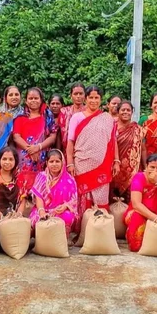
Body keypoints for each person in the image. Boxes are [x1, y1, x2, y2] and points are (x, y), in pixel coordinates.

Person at [66, 85, 119, 222]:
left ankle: (100, 226)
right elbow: (70, 142)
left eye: (97, 98)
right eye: (91, 97)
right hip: (81, 164)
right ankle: (83, 228)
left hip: (103, 166)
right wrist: (70, 163)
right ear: (86, 99)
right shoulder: (77, 117)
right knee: (84, 196)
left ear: (101, 99)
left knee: (101, 197)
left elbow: (113, 142)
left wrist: (116, 161)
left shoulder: (107, 118)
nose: (93, 101)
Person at [12, 87, 58, 194]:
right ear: (26, 101)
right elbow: (16, 137)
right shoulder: (20, 118)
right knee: (23, 190)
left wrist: (38, 147)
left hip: (42, 159)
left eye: (36, 98)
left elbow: (52, 137)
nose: (33, 101)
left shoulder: (47, 116)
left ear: (41, 100)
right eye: (30, 98)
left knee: (40, 188)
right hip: (23, 160)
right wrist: (30, 150)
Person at [28, 149, 78, 237]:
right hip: (43, 210)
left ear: (62, 163)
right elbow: (38, 197)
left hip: (60, 212)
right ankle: (38, 237)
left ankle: (61, 239)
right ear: (47, 163)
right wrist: (42, 212)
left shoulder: (69, 179)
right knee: (37, 219)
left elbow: (74, 200)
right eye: (51, 161)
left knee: (68, 216)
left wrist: (65, 206)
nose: (54, 164)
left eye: (57, 161)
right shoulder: (41, 176)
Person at [112, 102, 142, 203]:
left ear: (132, 112)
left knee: (131, 199)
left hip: (132, 170)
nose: (125, 112)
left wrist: (145, 165)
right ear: (118, 112)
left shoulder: (137, 129)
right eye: (123, 110)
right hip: (114, 167)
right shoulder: (112, 127)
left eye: (128, 110)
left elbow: (143, 148)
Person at [141, 93, 157, 165]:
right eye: (155, 102)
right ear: (151, 105)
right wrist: (145, 165)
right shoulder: (144, 120)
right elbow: (141, 144)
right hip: (148, 159)